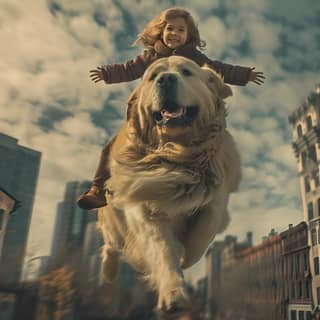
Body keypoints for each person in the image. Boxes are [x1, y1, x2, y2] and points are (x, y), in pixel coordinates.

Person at [77, 7, 265, 210]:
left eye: (180, 30)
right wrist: (107, 74)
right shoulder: (149, 57)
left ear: (189, 35)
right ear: (161, 31)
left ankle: (205, 183)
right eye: (170, 29)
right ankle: (97, 189)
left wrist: (244, 75)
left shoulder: (195, 58)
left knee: (214, 140)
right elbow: (128, 69)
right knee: (113, 147)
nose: (174, 34)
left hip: (184, 112)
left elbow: (219, 69)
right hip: (150, 114)